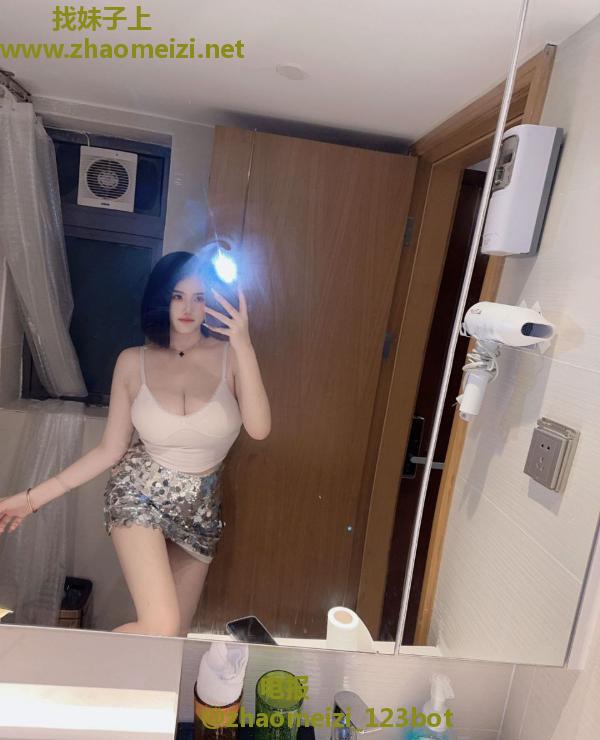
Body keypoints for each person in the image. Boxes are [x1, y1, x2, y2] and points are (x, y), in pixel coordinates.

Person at [0, 250, 271, 637]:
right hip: (138, 493)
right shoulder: (132, 362)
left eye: (199, 297)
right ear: (162, 299)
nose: (188, 308)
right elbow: (109, 451)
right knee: (161, 625)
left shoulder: (231, 356)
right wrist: (31, 499)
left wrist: (244, 345)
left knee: (172, 639)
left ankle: (104, 675)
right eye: (178, 296)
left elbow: (259, 429)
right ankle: (66, 667)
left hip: (201, 510)